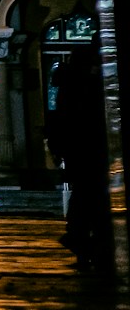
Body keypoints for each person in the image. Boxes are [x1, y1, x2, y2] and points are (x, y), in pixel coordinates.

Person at [48, 52, 111, 273]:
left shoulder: (68, 87)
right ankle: (86, 243)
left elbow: (59, 118)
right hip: (89, 151)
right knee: (92, 198)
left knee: (84, 197)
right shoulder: (86, 87)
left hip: (78, 151)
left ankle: (82, 242)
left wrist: (58, 148)